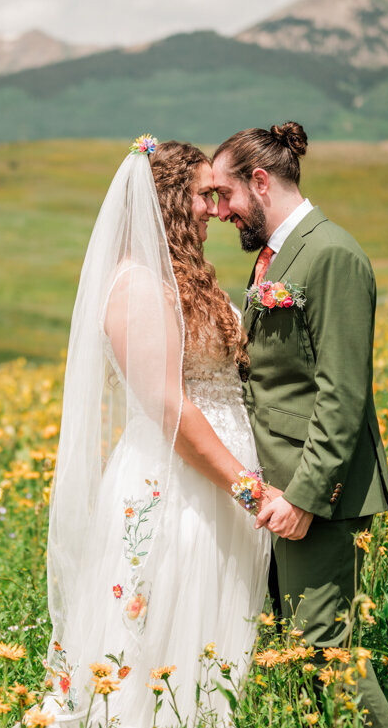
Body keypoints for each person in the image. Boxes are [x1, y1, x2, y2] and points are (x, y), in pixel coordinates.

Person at [42, 136, 272, 726]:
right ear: (168, 198)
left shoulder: (186, 276)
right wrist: (248, 489)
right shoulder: (139, 285)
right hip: (181, 492)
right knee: (166, 647)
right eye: (203, 195)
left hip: (219, 483)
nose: (216, 209)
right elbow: (170, 408)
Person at [211, 122, 388, 727]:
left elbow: (343, 394)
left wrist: (305, 497)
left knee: (324, 650)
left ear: (260, 182)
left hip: (314, 493)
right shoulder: (276, 256)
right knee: (299, 649)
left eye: (226, 195)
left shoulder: (332, 254)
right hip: (276, 485)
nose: (220, 212)